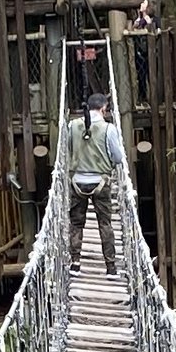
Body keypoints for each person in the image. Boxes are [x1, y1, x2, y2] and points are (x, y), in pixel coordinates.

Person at [59, 47, 128, 273]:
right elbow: (118, 158)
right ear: (104, 108)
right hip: (100, 183)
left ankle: (75, 263)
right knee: (105, 223)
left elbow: (68, 151)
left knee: (76, 223)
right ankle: (110, 267)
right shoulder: (108, 129)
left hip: (77, 182)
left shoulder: (72, 126)